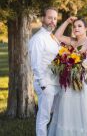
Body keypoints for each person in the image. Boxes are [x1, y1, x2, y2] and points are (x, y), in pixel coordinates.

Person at [48, 17, 87, 136]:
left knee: (85, 112)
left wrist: (80, 70)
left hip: (84, 83)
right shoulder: (72, 41)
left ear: (86, 29)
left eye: (79, 26)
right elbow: (57, 36)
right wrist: (67, 21)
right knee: (71, 113)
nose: (76, 28)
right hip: (71, 82)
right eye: (74, 26)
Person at [28, 7, 61, 136]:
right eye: (49, 18)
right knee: (44, 117)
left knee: (56, 116)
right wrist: (43, 85)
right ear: (42, 18)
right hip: (45, 83)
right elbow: (35, 64)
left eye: (54, 18)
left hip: (56, 82)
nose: (52, 21)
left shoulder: (52, 37)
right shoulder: (38, 39)